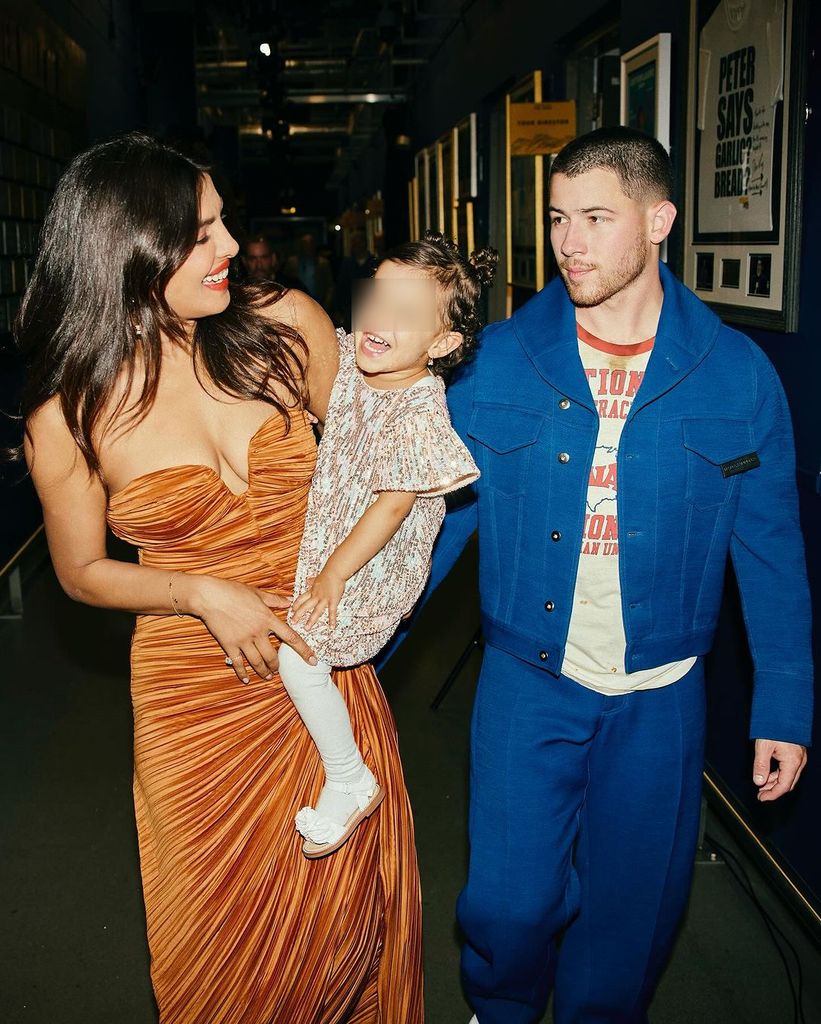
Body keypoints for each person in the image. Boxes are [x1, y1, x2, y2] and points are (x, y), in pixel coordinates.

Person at [16, 132, 423, 1024]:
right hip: (197, 692)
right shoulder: (70, 412)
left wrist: (376, 586)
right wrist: (198, 589)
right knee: (224, 937)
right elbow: (81, 572)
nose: (233, 246)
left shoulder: (288, 328)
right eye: (203, 233)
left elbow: (387, 457)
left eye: (223, 223)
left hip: (322, 663)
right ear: (132, 250)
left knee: (348, 919)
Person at [422, 127, 813, 1024]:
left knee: (631, 922)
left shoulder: (737, 378)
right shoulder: (497, 363)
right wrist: (352, 641)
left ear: (659, 219)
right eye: (560, 218)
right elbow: (432, 527)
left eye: (596, 218)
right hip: (528, 680)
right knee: (508, 907)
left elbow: (771, 556)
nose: (569, 243)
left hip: (661, 695)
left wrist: (783, 707)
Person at [279, 231, 495, 858]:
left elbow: (394, 504)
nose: (378, 321)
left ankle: (349, 777)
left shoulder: (419, 406)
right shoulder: (356, 363)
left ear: (443, 344)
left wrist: (334, 576)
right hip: (335, 545)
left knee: (299, 658)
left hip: (371, 568)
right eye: (376, 300)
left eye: (404, 316)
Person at [333, 228, 375, 328]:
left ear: (364, 243)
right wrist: (338, 309)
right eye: (353, 243)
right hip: (350, 310)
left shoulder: (373, 262)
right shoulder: (347, 263)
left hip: (370, 308)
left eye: (358, 242)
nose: (355, 246)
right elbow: (341, 287)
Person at [285, 232, 335, 311]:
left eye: (310, 244)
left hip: (318, 304)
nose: (308, 247)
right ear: (301, 246)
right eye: (305, 244)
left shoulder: (323, 263)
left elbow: (329, 286)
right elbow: (284, 282)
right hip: (296, 304)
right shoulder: (292, 262)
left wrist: (326, 306)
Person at [240, 232, 306, 290]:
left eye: (264, 258)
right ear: (244, 261)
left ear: (273, 258)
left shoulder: (292, 287)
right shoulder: (238, 290)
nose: (259, 265)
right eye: (253, 259)